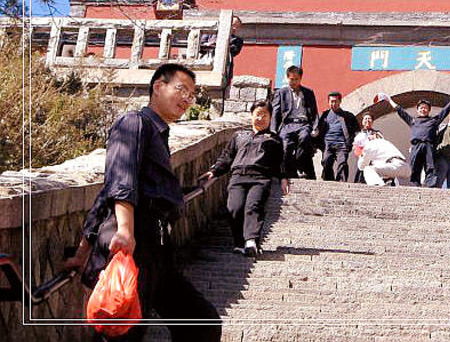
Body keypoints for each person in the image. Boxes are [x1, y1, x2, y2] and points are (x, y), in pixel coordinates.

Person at [81, 63, 221, 342]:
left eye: (192, 95)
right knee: (124, 330)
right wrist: (125, 230)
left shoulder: (158, 133)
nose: (187, 99)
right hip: (135, 237)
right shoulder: (134, 122)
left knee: (201, 322)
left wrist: (81, 249)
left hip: (156, 244)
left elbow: (105, 192)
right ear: (158, 86)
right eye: (181, 89)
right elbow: (120, 180)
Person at [200, 100, 289, 257]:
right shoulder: (239, 135)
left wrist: (283, 178)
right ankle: (239, 243)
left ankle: (251, 241)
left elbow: (279, 162)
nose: (260, 118)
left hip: (260, 178)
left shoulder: (274, 139)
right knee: (235, 208)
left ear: (270, 117)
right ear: (251, 115)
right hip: (238, 177)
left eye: (265, 115)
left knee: (253, 206)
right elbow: (227, 156)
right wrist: (214, 171)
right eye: (258, 114)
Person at [378, 90, 450, 187]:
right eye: (421, 108)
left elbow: (445, 111)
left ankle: (430, 185)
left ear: (429, 110)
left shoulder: (434, 120)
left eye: (425, 108)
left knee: (430, 167)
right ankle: (415, 185)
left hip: (429, 146)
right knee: (414, 167)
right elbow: (400, 111)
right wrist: (389, 100)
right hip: (416, 146)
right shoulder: (413, 120)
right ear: (417, 110)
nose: (423, 109)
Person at [270, 65, 319, 180]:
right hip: (287, 124)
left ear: (301, 78)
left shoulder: (308, 92)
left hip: (303, 124)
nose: (294, 82)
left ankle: (299, 166)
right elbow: (275, 112)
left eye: (297, 79)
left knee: (305, 138)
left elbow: (314, 112)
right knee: (285, 146)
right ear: (287, 78)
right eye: (292, 79)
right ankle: (285, 173)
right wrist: (273, 130)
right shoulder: (281, 93)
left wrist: (315, 127)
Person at [317, 91, 360, 182]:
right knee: (326, 162)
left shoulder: (348, 116)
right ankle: (329, 181)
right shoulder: (324, 115)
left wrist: (353, 142)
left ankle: (341, 183)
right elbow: (318, 129)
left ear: (340, 101)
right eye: (331, 101)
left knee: (342, 162)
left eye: (335, 101)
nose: (333, 104)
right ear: (328, 102)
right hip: (327, 143)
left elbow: (356, 130)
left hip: (341, 143)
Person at [352, 112, 382, 184]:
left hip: (373, 158)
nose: (367, 120)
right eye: (365, 119)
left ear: (372, 122)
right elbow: (355, 146)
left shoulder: (377, 133)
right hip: (362, 157)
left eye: (369, 119)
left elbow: (381, 143)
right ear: (362, 122)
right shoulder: (358, 134)